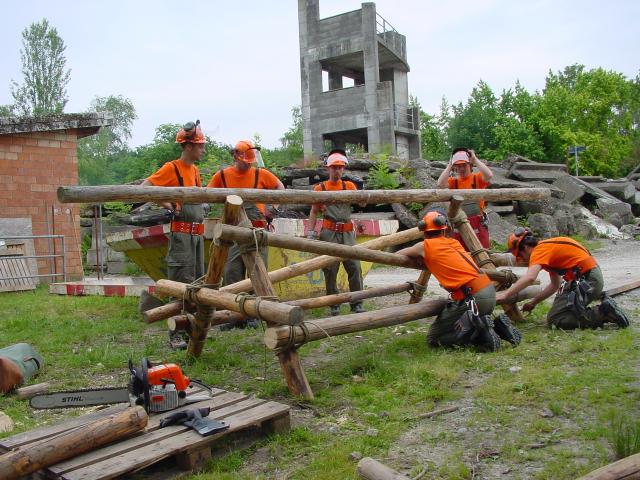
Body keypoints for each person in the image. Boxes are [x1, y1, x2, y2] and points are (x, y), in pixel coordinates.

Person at [396, 210, 521, 351]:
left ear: (423, 231)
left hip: (470, 297)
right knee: (462, 322)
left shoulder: (424, 246)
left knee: (434, 339)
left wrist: (418, 257)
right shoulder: (454, 242)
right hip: (488, 290)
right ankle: (498, 327)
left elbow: (398, 256)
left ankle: (484, 333)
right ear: (444, 230)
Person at [141, 120, 207, 349]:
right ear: (188, 146)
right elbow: (145, 187)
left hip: (197, 236)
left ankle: (191, 328)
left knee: (197, 285)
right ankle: (175, 334)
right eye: (200, 146)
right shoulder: (172, 168)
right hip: (181, 237)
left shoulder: (196, 171)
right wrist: (168, 204)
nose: (203, 150)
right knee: (180, 284)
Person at [207, 139, 285, 329]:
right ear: (235, 156)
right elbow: (206, 194)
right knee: (232, 271)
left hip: (258, 231)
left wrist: (272, 209)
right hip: (234, 230)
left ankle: (254, 314)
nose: (248, 163)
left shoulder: (261, 174)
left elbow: (280, 188)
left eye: (250, 161)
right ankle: (234, 315)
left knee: (258, 272)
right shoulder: (222, 176)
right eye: (245, 160)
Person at [495, 228, 630, 330]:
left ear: (524, 248)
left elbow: (530, 277)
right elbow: (555, 284)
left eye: (519, 256)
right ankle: (603, 309)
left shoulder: (538, 251)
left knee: (556, 319)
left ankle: (602, 313)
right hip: (588, 277)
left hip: (587, 280)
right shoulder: (547, 247)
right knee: (559, 311)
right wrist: (534, 302)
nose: (522, 260)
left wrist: (506, 294)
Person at [307, 150, 365, 316]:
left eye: (340, 167)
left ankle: (357, 303)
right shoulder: (320, 188)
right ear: (328, 168)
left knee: (354, 266)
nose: (337, 170)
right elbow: (313, 211)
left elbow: (361, 204)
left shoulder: (350, 186)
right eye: (334, 167)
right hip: (328, 232)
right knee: (330, 269)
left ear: (344, 169)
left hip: (347, 233)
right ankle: (334, 305)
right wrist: (311, 231)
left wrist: (363, 191)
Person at [437, 148, 493, 250]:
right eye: (458, 166)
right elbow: (440, 184)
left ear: (470, 165)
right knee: (462, 256)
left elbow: (489, 175)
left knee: (484, 254)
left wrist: (475, 160)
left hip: (478, 224)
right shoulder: (453, 182)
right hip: (458, 224)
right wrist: (450, 164)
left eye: (464, 165)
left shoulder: (477, 178)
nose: (461, 168)